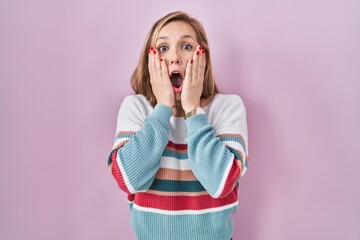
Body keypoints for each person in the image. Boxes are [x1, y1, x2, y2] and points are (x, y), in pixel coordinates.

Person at [107, 11, 248, 240]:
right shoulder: (136, 108)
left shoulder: (227, 107)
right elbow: (128, 179)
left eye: (186, 46)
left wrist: (192, 109)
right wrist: (163, 107)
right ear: (150, 60)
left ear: (202, 57)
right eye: (163, 48)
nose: (174, 58)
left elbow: (220, 184)